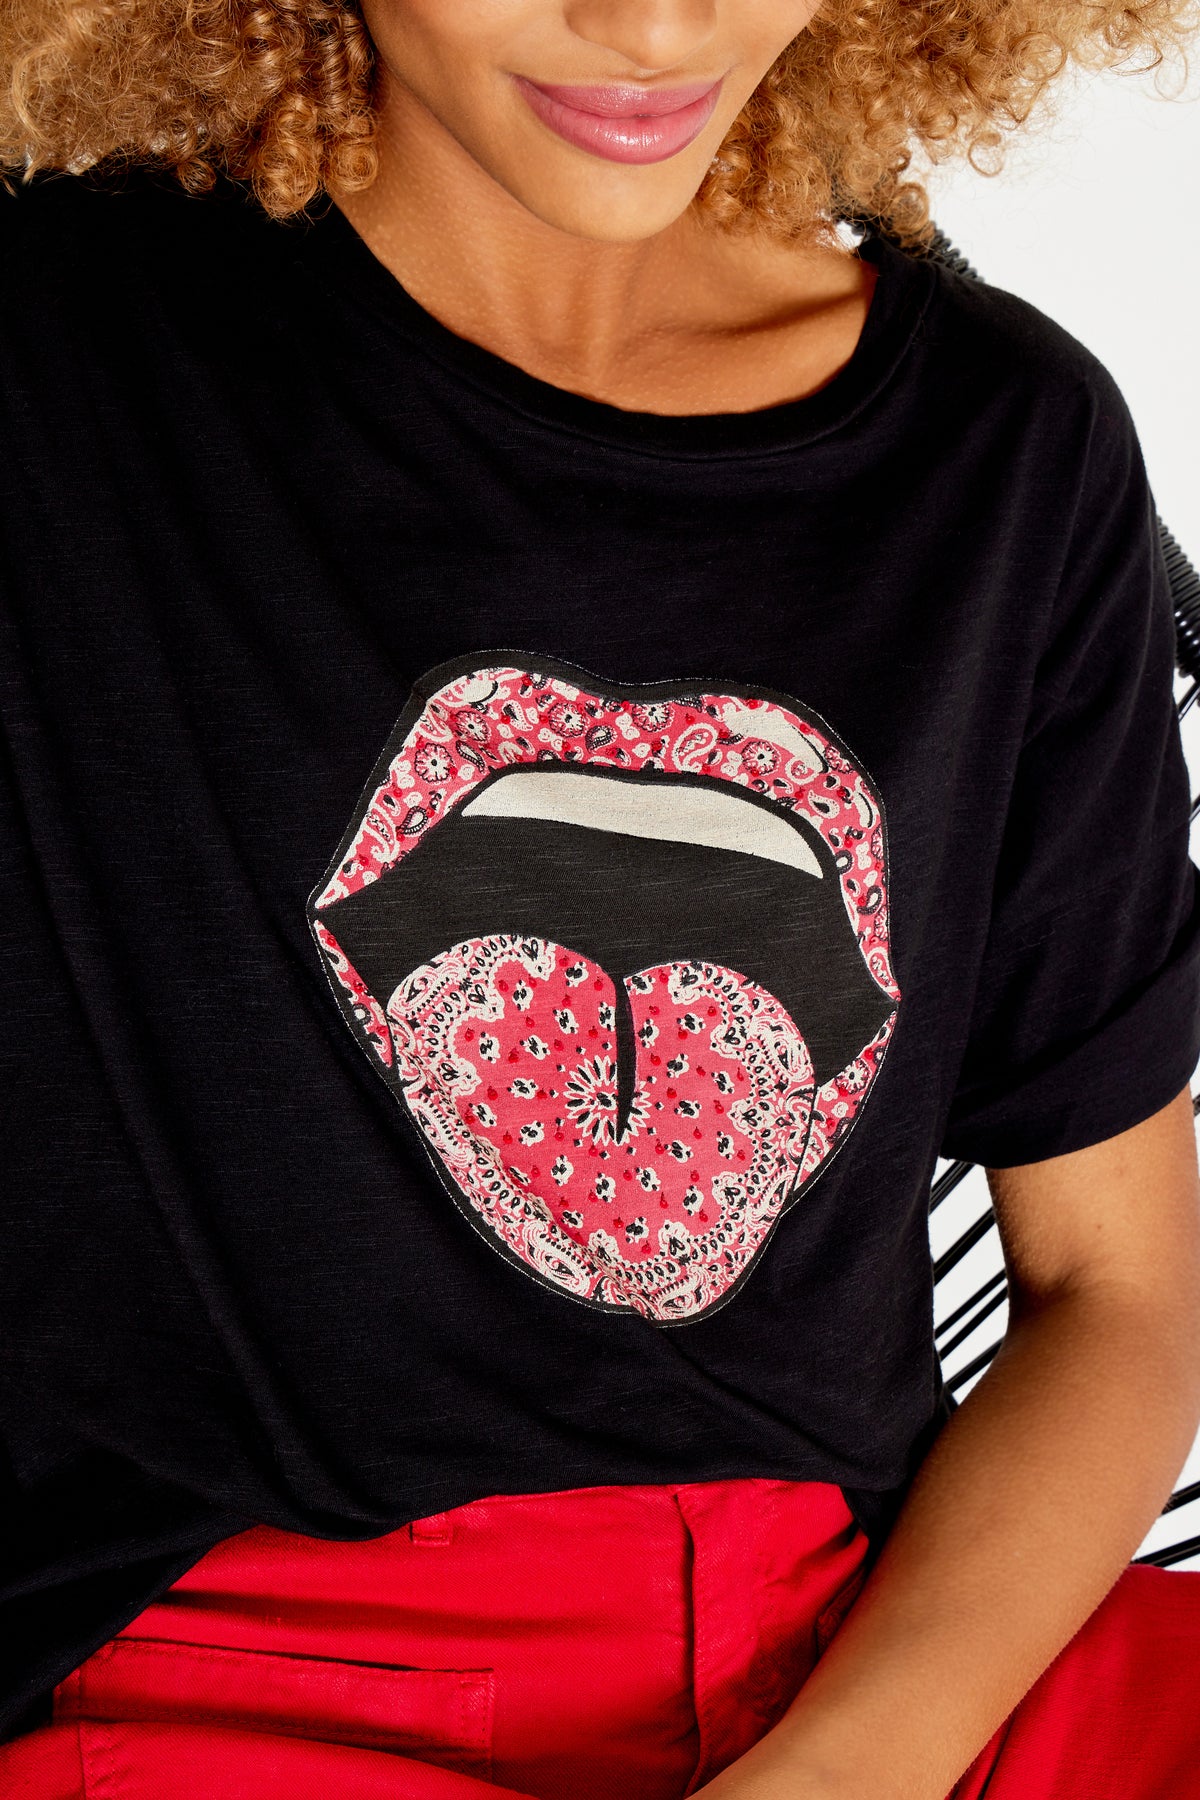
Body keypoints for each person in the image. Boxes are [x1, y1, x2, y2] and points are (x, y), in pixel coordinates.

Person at [3, 0, 1200, 1794]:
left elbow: (1119, 1290)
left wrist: (851, 1764)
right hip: (245, 1686)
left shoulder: (1009, 450)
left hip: (894, 1651)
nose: (649, 23)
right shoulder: (56, 371)